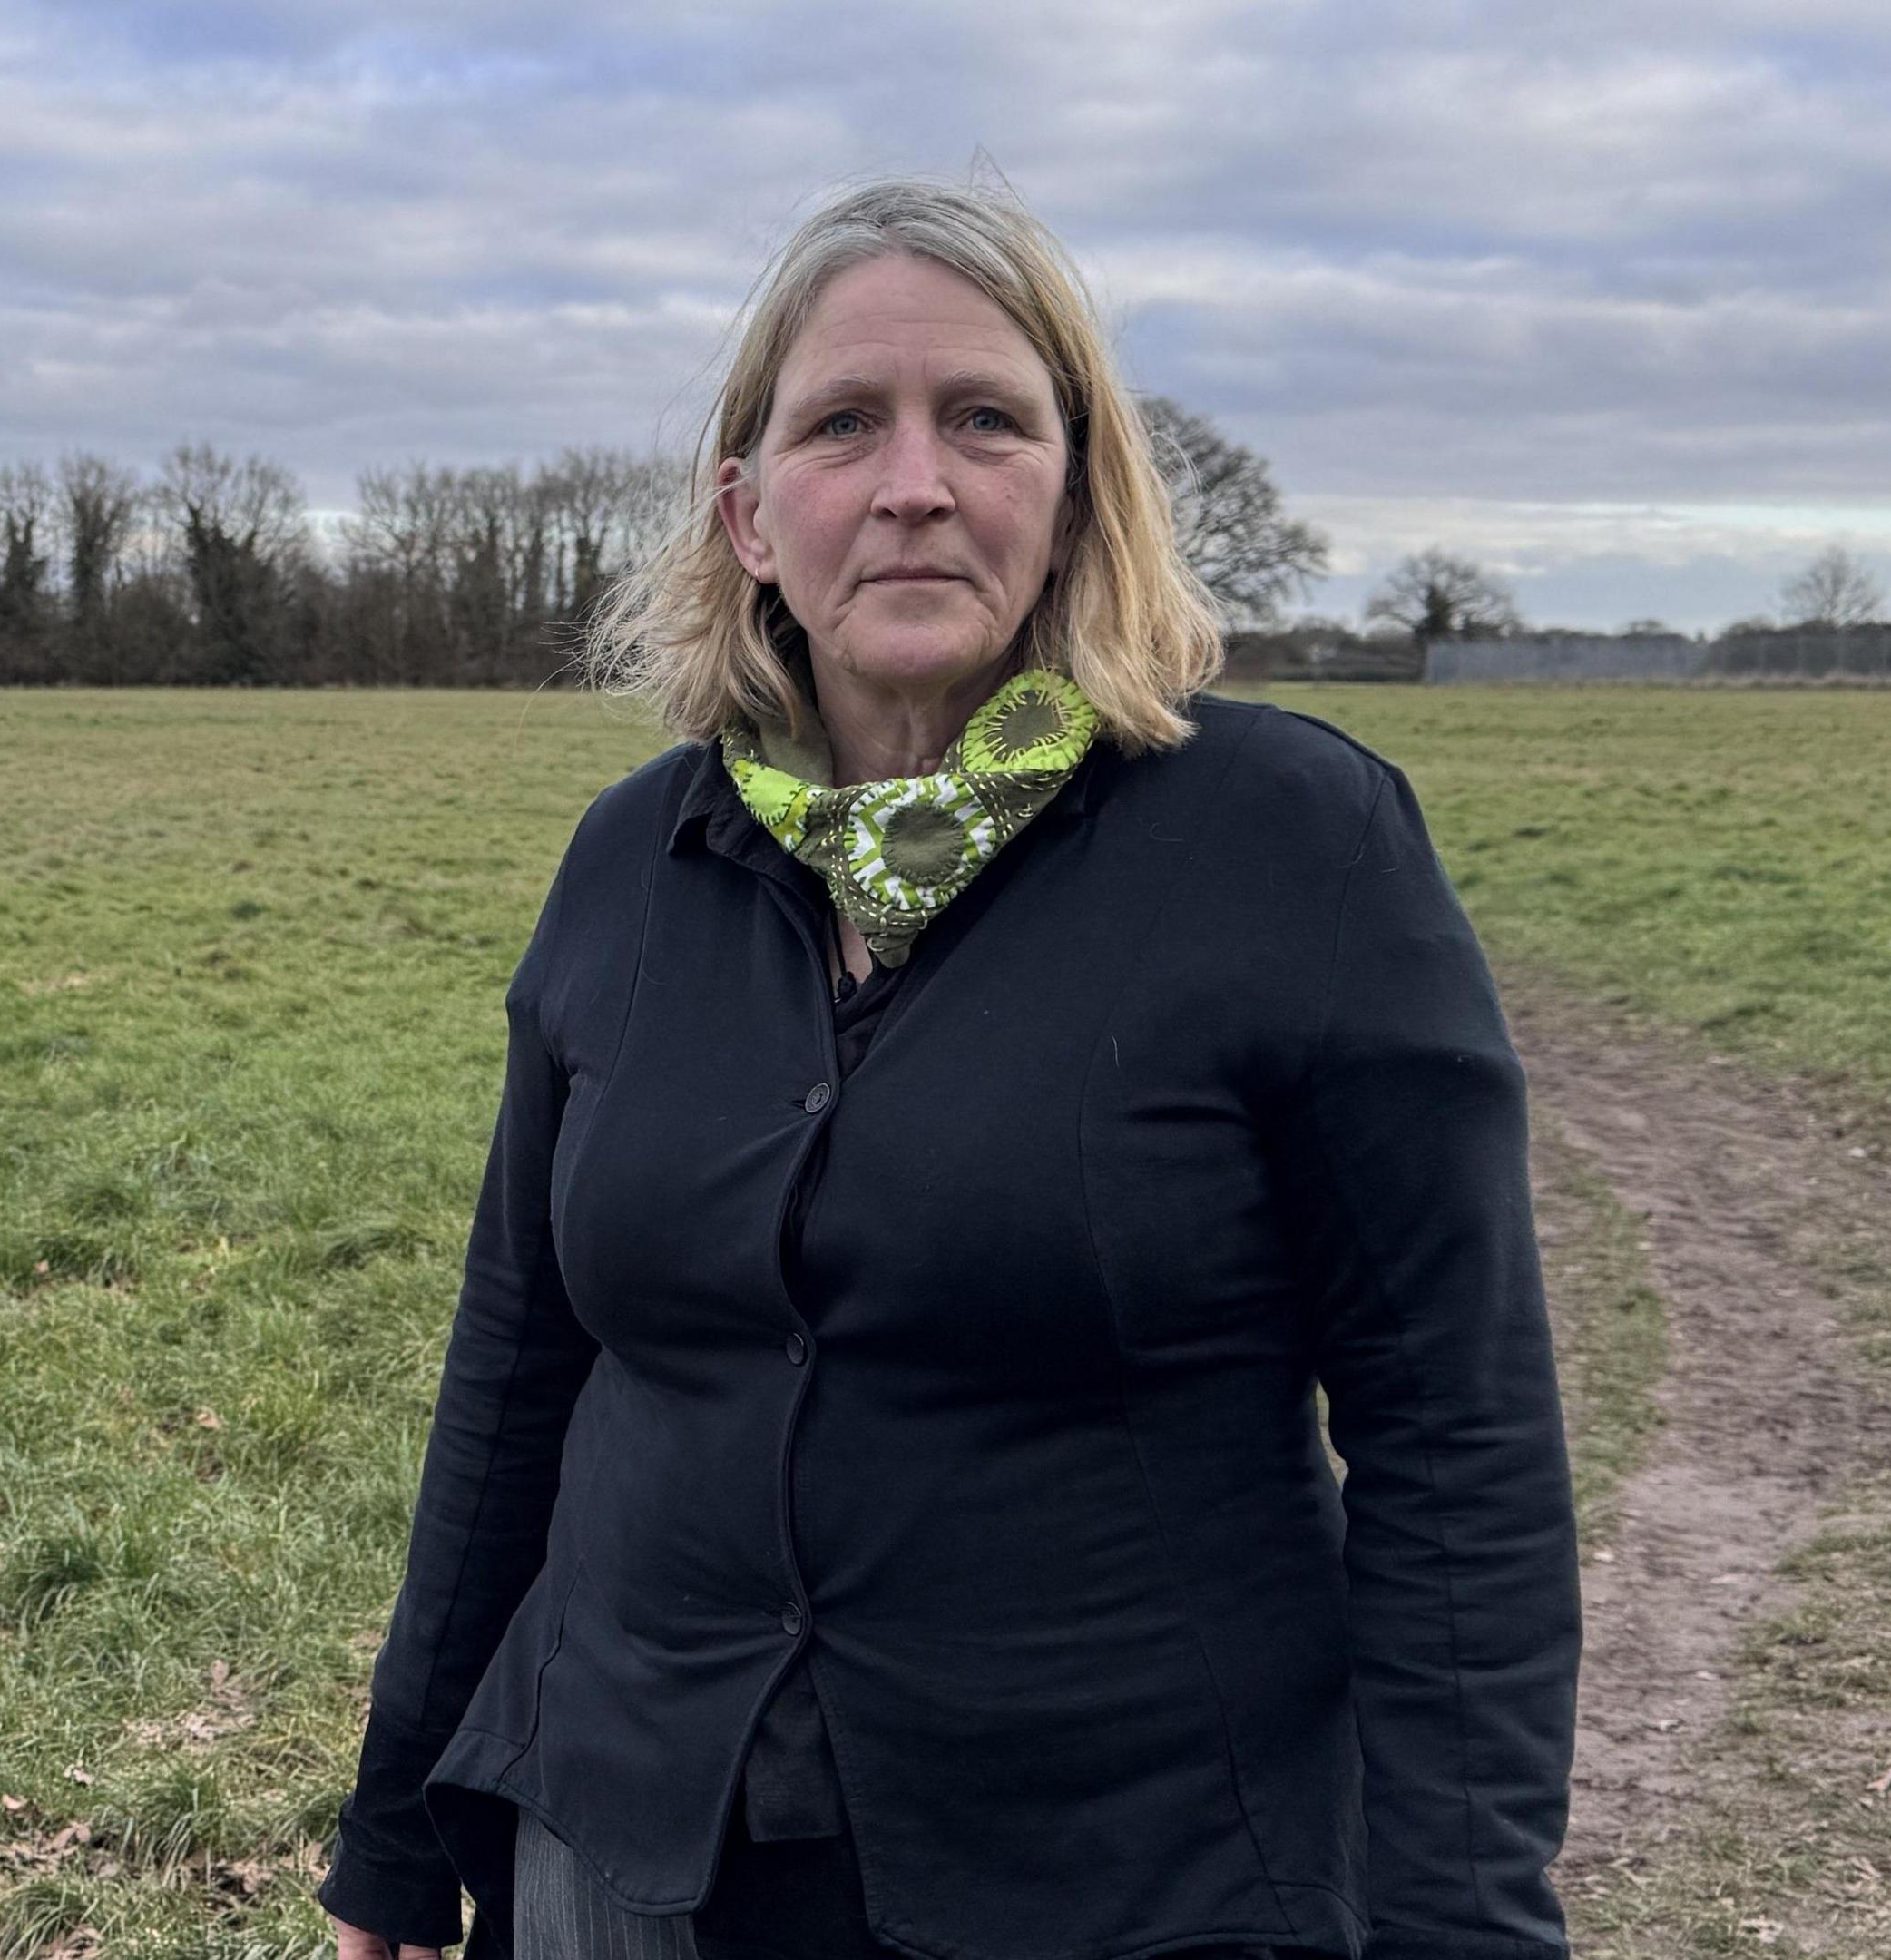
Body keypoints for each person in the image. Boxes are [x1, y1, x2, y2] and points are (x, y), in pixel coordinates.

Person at [318, 175, 1580, 1960]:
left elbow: (1458, 1448)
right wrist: (392, 1818)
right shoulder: (630, 867)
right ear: (751, 514)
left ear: (1072, 493)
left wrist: (1465, 1931)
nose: (915, 481)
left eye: (985, 419)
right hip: (623, 1851)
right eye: (846, 422)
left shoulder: (1295, 847)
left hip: (1130, 1878)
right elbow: (520, 1365)